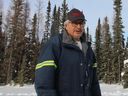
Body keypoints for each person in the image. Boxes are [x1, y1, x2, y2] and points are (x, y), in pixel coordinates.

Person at [35, 8, 101, 96]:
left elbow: (94, 84)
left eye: (81, 23)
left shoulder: (88, 49)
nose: (79, 27)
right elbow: (44, 84)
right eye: (75, 23)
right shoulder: (54, 45)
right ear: (66, 25)